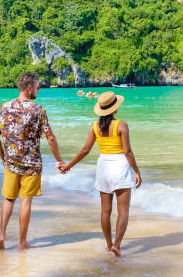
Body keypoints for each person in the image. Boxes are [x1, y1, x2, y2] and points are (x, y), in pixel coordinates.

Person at [60, 91, 142, 256]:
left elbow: (85, 150)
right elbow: (127, 152)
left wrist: (68, 165)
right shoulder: (122, 125)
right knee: (123, 210)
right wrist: (137, 171)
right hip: (119, 166)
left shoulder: (95, 126)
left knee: (105, 210)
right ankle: (117, 245)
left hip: (103, 167)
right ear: (115, 108)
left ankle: (108, 244)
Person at [0, 73, 66, 250]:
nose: (39, 90)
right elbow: (51, 138)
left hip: (10, 162)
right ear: (30, 88)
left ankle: (1, 236)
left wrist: (3, 157)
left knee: (9, 199)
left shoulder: (4, 108)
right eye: (38, 87)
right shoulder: (38, 110)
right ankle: (22, 242)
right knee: (25, 202)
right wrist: (59, 160)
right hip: (31, 164)